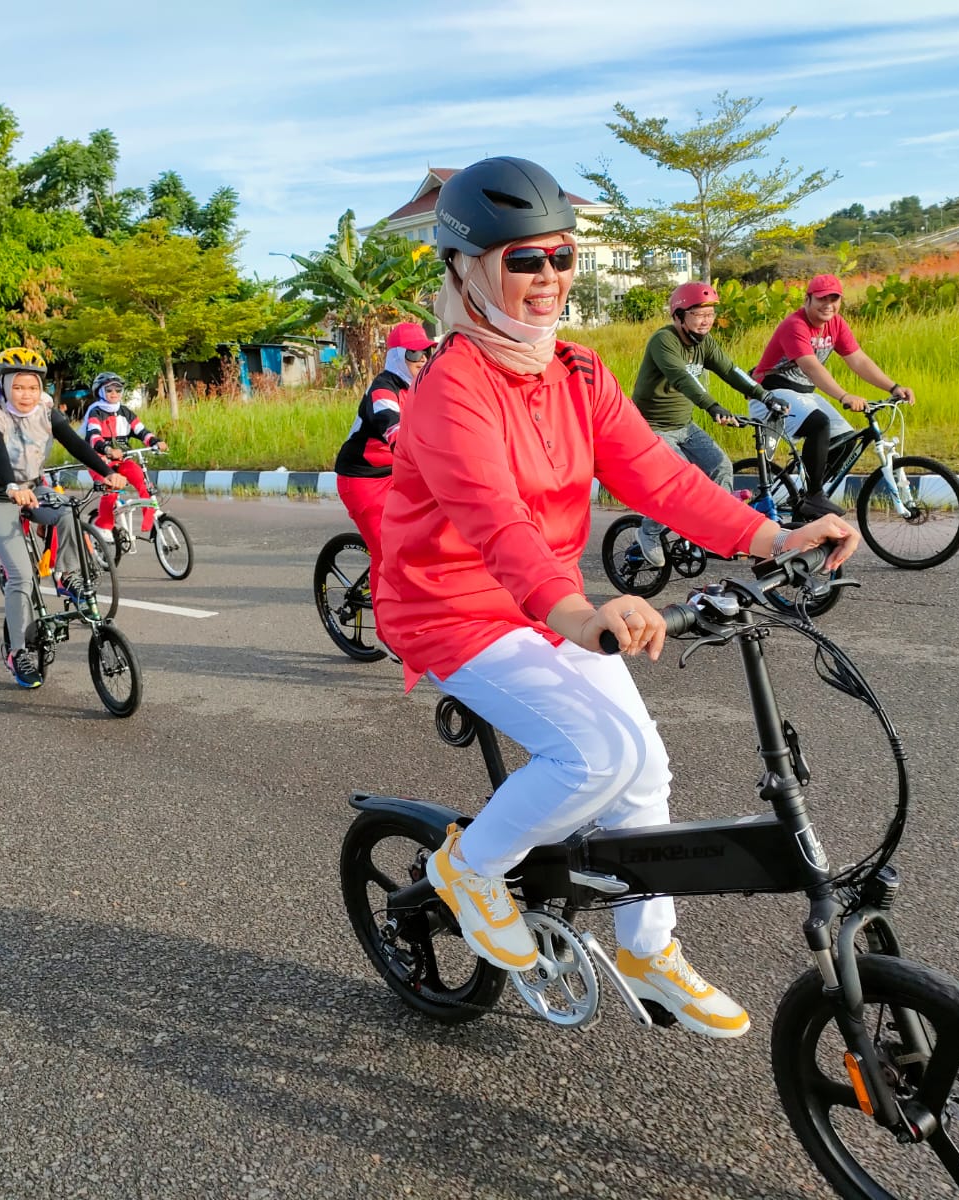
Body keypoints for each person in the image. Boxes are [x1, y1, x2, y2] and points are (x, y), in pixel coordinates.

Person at [375, 157, 858, 1037]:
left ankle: (647, 949)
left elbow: (662, 481)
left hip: (543, 601)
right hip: (451, 609)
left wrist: (776, 537)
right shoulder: (450, 388)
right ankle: (469, 869)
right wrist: (577, 613)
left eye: (561, 257)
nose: (549, 277)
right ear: (466, 269)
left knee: (646, 767)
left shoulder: (580, 373)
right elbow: (495, 521)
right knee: (596, 756)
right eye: (524, 260)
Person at [0, 348, 127, 689]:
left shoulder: (45, 408)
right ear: (3, 385)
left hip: (33, 487)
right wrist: (11, 486)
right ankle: (18, 652)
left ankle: (66, 575)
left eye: (33, 387)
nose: (26, 394)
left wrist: (105, 472)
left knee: (67, 511)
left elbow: (74, 443)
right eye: (18, 387)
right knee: (22, 577)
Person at [629, 282, 787, 565]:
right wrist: (712, 406)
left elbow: (731, 370)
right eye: (699, 314)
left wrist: (765, 396)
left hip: (684, 425)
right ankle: (648, 532)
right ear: (679, 316)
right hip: (652, 428)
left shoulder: (705, 343)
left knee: (721, 466)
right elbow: (682, 378)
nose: (706, 321)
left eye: (710, 314)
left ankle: (714, 531)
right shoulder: (663, 341)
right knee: (679, 481)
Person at [749, 274, 916, 519]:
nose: (828, 305)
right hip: (770, 393)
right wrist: (844, 395)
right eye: (821, 299)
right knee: (819, 424)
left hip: (802, 394)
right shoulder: (795, 325)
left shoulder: (836, 323)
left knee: (846, 440)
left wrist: (893, 387)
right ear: (807, 299)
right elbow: (811, 367)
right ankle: (814, 496)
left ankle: (805, 500)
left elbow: (858, 360)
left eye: (834, 299)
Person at [333, 321, 434, 615]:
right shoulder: (383, 390)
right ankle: (386, 628)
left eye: (426, 353)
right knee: (387, 552)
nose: (422, 360)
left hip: (396, 472)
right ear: (397, 357)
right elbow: (395, 430)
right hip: (361, 479)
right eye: (414, 354)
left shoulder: (424, 387)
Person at [79, 372, 166, 545]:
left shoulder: (125, 412)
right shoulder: (95, 412)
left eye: (118, 390)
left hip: (123, 458)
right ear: (100, 392)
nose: (114, 393)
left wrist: (155, 442)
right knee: (111, 488)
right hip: (99, 461)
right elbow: (94, 437)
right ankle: (103, 526)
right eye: (109, 390)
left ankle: (150, 516)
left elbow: (141, 431)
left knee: (142, 480)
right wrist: (108, 449)